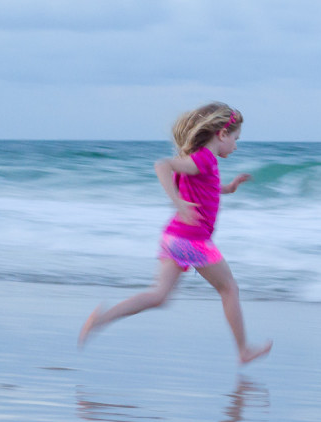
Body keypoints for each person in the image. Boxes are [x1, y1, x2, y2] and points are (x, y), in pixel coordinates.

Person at [79, 102, 272, 364]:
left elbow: (204, 187)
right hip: (193, 240)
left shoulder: (200, 160)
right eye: (236, 139)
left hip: (174, 238)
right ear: (222, 134)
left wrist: (228, 188)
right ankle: (243, 350)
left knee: (158, 296)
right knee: (229, 288)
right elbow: (162, 166)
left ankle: (101, 319)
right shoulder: (204, 158)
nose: (236, 146)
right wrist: (178, 203)